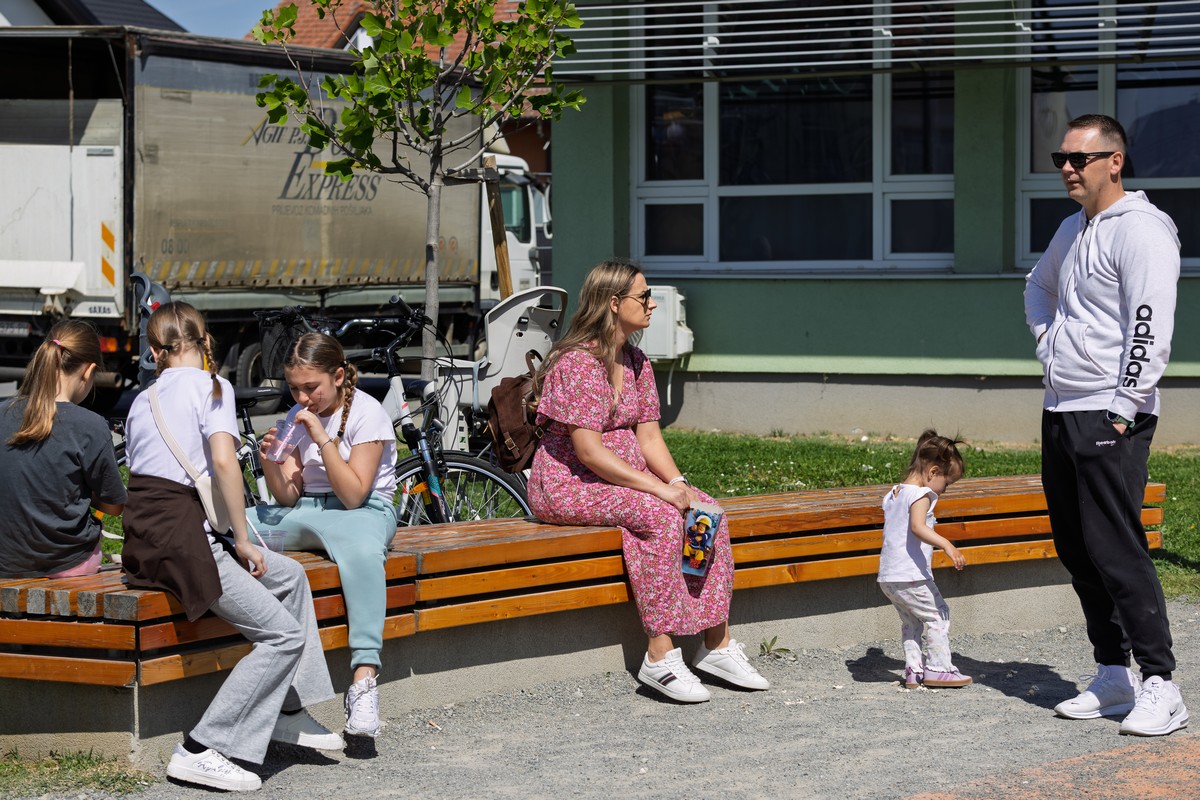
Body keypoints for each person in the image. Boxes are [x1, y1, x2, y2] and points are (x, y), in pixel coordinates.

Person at [121, 302, 342, 792]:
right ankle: (202, 748)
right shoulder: (213, 386)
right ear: (205, 343)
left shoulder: (142, 399)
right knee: (282, 637)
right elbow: (224, 464)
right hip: (184, 540)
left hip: (147, 537)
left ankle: (287, 711)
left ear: (155, 352)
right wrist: (242, 539)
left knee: (290, 577)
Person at [527, 258, 769, 703]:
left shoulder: (637, 361)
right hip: (569, 484)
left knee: (706, 512)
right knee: (659, 517)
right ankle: (659, 654)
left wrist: (679, 483)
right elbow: (589, 452)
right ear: (613, 302)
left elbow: (650, 437)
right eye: (644, 296)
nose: (653, 303)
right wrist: (659, 490)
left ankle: (715, 644)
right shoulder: (577, 363)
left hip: (625, 479)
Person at [1024, 113, 1186, 736]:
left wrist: (1123, 406)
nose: (1067, 168)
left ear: (1114, 162)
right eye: (1060, 159)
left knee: (1116, 548)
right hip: (1061, 407)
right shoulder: (1073, 228)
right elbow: (1037, 288)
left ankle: (1162, 683)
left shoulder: (1142, 230)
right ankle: (1114, 675)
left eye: (1079, 158)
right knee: (1078, 548)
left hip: (1111, 411)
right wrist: (1048, 343)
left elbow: (1150, 324)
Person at [256, 332, 398, 737]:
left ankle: (364, 680)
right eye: (294, 389)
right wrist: (270, 462)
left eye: (311, 387)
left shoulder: (367, 413)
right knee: (236, 527)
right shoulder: (297, 415)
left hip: (364, 512)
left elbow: (354, 495)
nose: (302, 398)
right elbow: (287, 497)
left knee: (363, 554)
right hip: (309, 511)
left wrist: (322, 438)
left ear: (338, 376)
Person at [0, 321, 125, 578]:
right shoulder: (90, 425)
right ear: (88, 372)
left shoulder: (3, 413)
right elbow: (114, 506)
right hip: (69, 563)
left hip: (6, 563)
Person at [877, 430, 971, 690]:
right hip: (912, 576)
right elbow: (918, 527)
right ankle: (939, 669)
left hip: (889, 577)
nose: (945, 490)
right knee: (939, 616)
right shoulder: (920, 495)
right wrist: (948, 545)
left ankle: (914, 671)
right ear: (933, 472)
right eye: (947, 483)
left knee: (911, 622)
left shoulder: (893, 494)